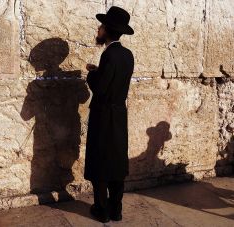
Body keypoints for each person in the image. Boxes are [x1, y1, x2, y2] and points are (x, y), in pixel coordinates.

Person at [84, 6, 135, 223]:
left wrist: (91, 75)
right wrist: (99, 71)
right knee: (116, 160)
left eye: (101, 26)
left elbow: (102, 88)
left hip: (103, 115)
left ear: (107, 30)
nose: (98, 29)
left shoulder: (108, 55)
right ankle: (116, 210)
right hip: (119, 113)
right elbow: (115, 81)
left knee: (100, 160)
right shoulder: (127, 54)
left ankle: (102, 209)